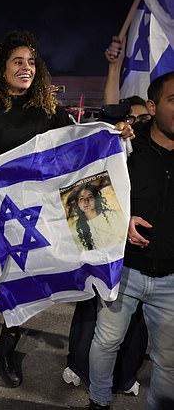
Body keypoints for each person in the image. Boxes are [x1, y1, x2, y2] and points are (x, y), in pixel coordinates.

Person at [0, 31, 73, 388]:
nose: (26, 67)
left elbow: (76, 143)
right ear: (1, 67)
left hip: (32, 212)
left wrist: (115, 134)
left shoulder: (49, 111)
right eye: (18, 61)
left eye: (31, 62)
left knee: (23, 275)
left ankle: (8, 343)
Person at [87, 71, 174, 410]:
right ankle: (99, 401)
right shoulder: (124, 146)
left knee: (168, 359)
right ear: (152, 106)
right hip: (124, 271)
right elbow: (89, 196)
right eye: (173, 100)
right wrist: (120, 223)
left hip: (170, 278)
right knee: (106, 342)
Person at [66, 182, 127, 251]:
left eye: (90, 197)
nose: (86, 201)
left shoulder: (111, 215)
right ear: (78, 204)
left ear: (96, 199)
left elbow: (124, 238)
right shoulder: (76, 227)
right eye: (82, 198)